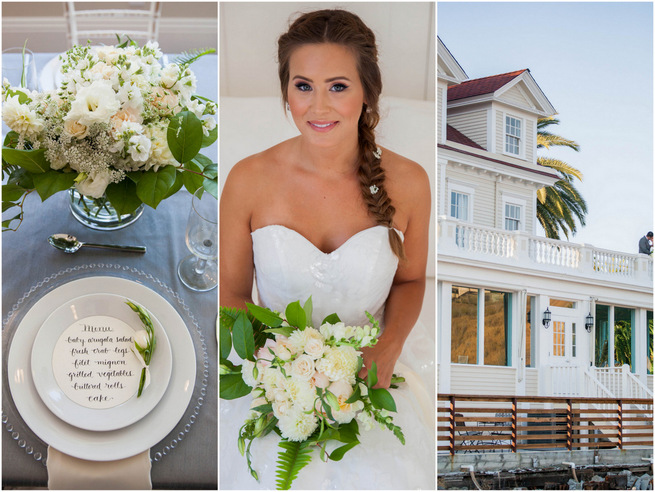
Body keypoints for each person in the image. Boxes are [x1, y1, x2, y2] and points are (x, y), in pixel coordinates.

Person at [220, 8, 434, 489]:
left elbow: (412, 279)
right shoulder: (246, 179)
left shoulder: (412, 183)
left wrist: (391, 344)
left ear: (366, 92)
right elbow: (229, 295)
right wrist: (282, 371)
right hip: (270, 374)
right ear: (285, 91)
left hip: (371, 373)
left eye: (337, 86)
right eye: (303, 86)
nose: (318, 107)